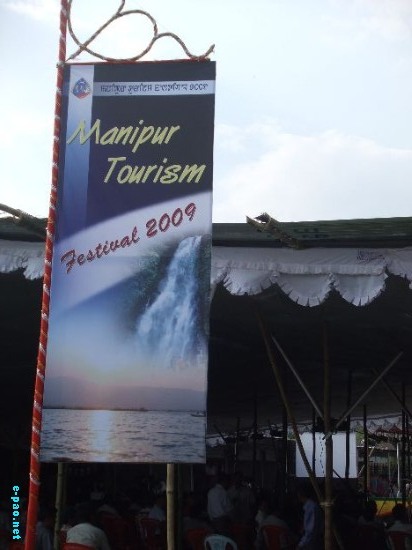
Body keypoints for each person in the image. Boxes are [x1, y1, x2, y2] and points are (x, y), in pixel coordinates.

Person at [296, 483, 323, 550]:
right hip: (312, 542)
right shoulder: (310, 506)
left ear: (299, 494)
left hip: (311, 543)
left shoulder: (311, 508)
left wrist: (300, 545)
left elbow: (310, 531)